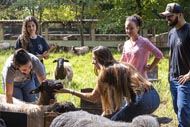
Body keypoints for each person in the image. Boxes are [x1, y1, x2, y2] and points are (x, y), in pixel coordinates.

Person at [55, 45, 160, 122]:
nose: (92, 62)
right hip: (155, 97)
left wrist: (69, 91)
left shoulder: (105, 73)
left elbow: (93, 97)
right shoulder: (125, 65)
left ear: (100, 59)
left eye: (93, 59)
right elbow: (119, 101)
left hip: (141, 102)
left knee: (113, 123)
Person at [160, 3, 190, 127]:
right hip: (173, 78)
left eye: (170, 16)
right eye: (166, 16)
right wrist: (169, 74)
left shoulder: (189, 30)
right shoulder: (171, 33)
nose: (168, 19)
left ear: (180, 15)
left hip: (186, 79)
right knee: (178, 110)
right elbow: (172, 54)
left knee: (183, 110)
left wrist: (189, 75)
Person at [120, 14, 163, 78]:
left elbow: (159, 55)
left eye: (131, 28)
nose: (128, 31)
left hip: (141, 80)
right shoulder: (126, 43)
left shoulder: (144, 42)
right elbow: (123, 61)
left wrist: (150, 68)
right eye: (126, 28)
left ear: (138, 28)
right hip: (129, 79)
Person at [15, 16, 50, 88]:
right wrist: (35, 57)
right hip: (26, 71)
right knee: (30, 93)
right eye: (29, 26)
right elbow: (17, 55)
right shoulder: (21, 39)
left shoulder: (41, 39)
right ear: (25, 28)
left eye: (33, 25)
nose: (31, 28)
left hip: (38, 69)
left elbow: (47, 55)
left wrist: (46, 55)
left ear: (36, 26)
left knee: (40, 89)